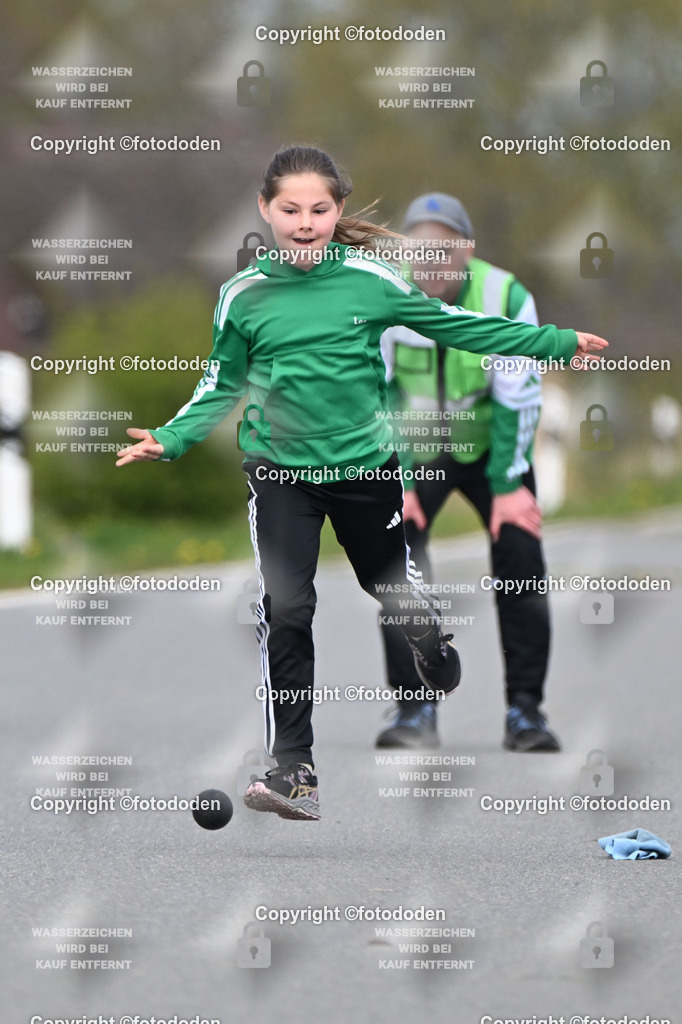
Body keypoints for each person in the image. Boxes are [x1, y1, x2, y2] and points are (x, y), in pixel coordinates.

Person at [115, 147, 608, 820]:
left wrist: (553, 343)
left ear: (337, 210)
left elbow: (457, 327)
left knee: (390, 587)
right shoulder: (242, 296)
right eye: (290, 209)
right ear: (265, 210)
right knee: (286, 608)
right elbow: (221, 383)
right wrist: (171, 438)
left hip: (363, 470)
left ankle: (425, 634)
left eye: (319, 209)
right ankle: (295, 770)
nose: (305, 222)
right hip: (281, 473)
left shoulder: (372, 281)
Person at [377, 192, 563, 753]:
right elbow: (375, 393)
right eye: (419, 250)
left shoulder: (505, 295)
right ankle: (415, 707)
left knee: (521, 555)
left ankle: (525, 711)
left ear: (467, 251)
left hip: (491, 447)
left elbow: (519, 395)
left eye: (444, 250)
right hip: (415, 451)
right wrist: (400, 480)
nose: (430, 262)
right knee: (396, 560)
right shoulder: (383, 292)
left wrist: (507, 485)